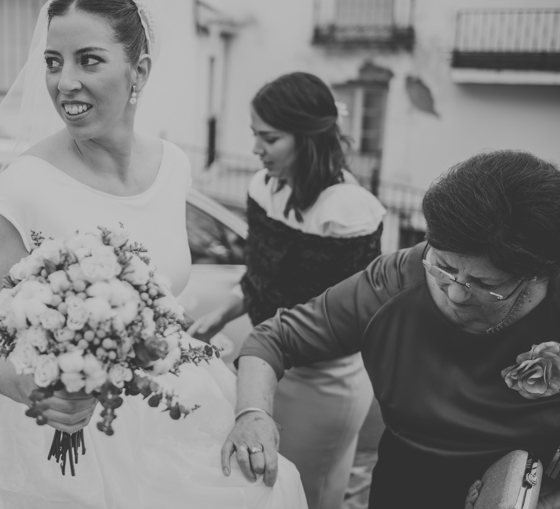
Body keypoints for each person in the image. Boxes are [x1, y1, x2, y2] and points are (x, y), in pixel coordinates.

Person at [0, 0, 307, 509]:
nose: (64, 83)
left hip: (167, 414)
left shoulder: (173, 167)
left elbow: (161, 304)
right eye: (53, 63)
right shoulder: (22, 187)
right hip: (54, 437)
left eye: (89, 60)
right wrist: (31, 387)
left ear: (139, 71)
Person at [224, 150, 560, 509]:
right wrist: (252, 415)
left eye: (485, 284)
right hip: (405, 485)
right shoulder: (395, 281)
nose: (458, 293)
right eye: (444, 267)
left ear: (535, 273)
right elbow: (273, 338)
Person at [189, 72, 384, 509]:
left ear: (309, 139)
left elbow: (350, 316)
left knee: (310, 492)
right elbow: (261, 277)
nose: (256, 148)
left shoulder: (348, 210)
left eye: (270, 138)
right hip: (264, 365)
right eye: (255, 135)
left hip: (324, 379)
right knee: (258, 486)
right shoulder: (263, 187)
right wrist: (221, 315)